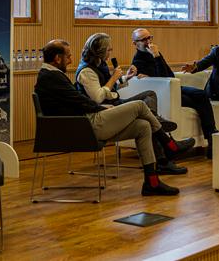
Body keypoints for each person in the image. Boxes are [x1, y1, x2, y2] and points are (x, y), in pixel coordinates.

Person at [35, 39, 186, 196]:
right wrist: (102, 108)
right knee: (140, 105)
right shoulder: (52, 77)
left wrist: (106, 104)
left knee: (143, 126)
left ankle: (152, 183)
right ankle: (169, 144)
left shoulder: (50, 75)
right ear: (57, 58)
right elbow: (82, 100)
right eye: (68, 56)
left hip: (84, 123)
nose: (71, 60)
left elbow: (78, 100)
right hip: (84, 127)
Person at [75, 33, 194, 174]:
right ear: (100, 51)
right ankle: (165, 140)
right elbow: (98, 97)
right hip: (105, 110)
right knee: (143, 111)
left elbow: (109, 88)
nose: (110, 52)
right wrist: (113, 78)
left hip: (114, 103)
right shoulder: (87, 71)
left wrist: (126, 77)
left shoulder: (99, 64)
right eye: (108, 50)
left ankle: (158, 128)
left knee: (149, 95)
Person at [131, 28, 218, 158]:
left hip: (174, 86)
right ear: (135, 44)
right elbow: (162, 79)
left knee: (201, 94)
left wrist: (157, 56)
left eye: (150, 38)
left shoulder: (155, 53)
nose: (148, 42)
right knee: (198, 101)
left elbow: (169, 75)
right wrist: (156, 56)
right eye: (144, 39)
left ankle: (211, 136)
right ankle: (211, 139)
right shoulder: (138, 60)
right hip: (164, 93)